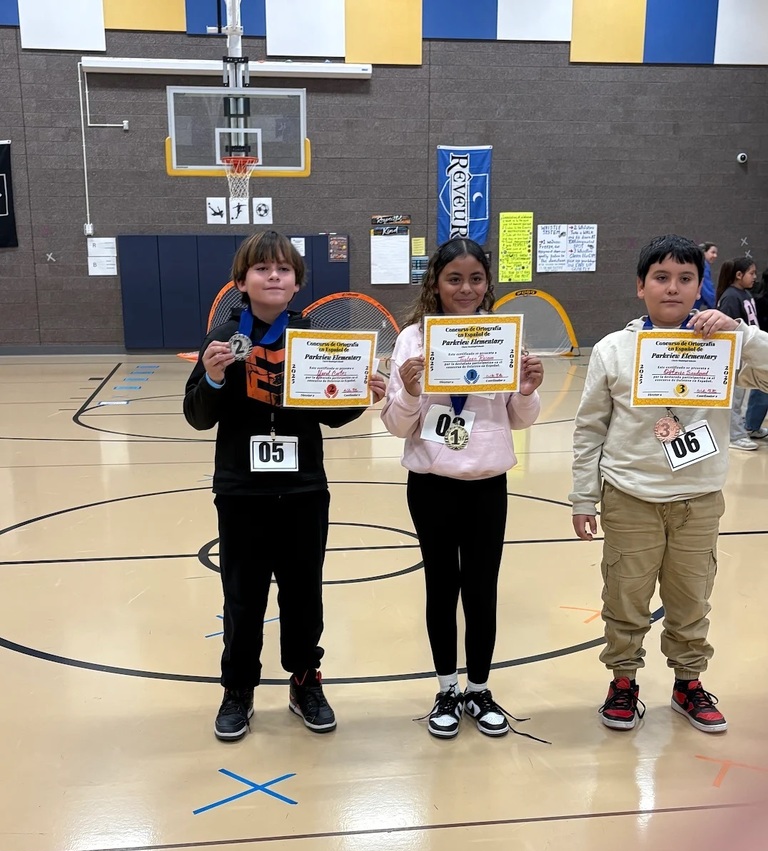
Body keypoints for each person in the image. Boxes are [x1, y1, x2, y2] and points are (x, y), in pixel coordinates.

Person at [184, 230, 386, 741]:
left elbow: (334, 417)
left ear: (297, 283)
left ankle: (304, 681)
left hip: (303, 490)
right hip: (240, 491)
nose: (274, 276)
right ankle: (238, 689)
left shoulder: (314, 338)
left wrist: (361, 393)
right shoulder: (223, 337)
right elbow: (197, 417)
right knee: (243, 596)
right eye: (262, 269)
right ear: (242, 281)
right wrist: (210, 379)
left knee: (303, 594)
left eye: (284, 270)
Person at [571, 234, 768, 734]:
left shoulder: (721, 346)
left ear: (700, 285)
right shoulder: (615, 350)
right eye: (661, 278)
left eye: (686, 279)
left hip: (698, 499)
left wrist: (741, 334)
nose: (673, 288)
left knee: (691, 597)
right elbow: (590, 427)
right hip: (630, 498)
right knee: (624, 596)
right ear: (641, 286)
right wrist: (583, 495)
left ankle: (688, 682)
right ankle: (623, 681)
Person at [381, 239, 544, 739]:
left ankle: (478, 687)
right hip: (431, 485)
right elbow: (395, 424)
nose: (466, 288)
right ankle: (446, 688)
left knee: (481, 589)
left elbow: (518, 420)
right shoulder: (412, 339)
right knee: (441, 586)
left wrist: (527, 389)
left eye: (475, 279)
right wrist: (408, 392)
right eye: (454, 279)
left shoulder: (501, 336)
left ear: (487, 284)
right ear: (436, 283)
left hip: (488, 484)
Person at [717, 257, 760, 450]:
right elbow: (726, 331)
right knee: (733, 398)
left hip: (746, 354)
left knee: (741, 397)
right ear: (739, 275)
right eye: (751, 273)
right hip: (734, 355)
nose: (754, 277)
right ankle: (734, 436)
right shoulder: (730, 296)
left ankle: (740, 429)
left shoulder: (745, 294)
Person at [743, 266, 768, 440]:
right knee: (760, 390)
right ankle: (751, 425)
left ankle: (752, 425)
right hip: (760, 346)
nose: (753, 277)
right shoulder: (759, 298)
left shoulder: (753, 296)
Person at [695, 241, 718, 309]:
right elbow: (707, 290)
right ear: (704, 252)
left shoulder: (698, 264)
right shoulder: (703, 266)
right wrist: (715, 307)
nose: (715, 256)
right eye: (713, 252)